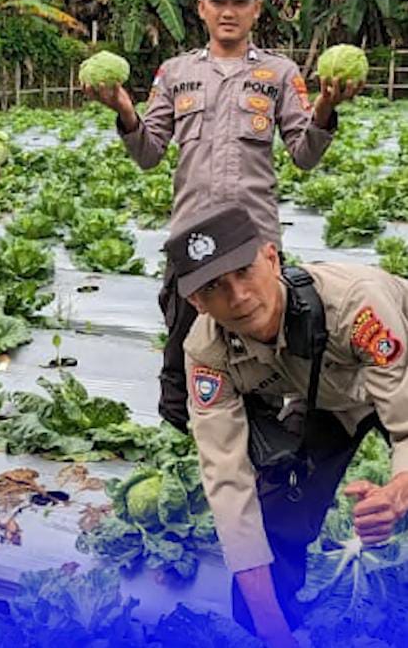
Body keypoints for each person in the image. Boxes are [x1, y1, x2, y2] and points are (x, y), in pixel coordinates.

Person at [85, 0, 359, 431]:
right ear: (202, 9)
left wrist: (327, 108)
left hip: (254, 247)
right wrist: (126, 113)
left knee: (262, 374)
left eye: (239, 1)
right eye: (218, 1)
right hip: (192, 247)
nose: (228, 11)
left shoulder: (279, 73)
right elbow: (149, 153)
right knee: (181, 374)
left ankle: (258, 470)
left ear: (256, 10)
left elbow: (304, 154)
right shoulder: (175, 73)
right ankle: (199, 462)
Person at [166, 203, 408, 648]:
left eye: (244, 270)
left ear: (272, 258)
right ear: (196, 301)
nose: (237, 296)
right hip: (329, 402)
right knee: (272, 539)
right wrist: (273, 630)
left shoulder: (357, 303)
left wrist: (397, 492)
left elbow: (405, 424)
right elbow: (228, 482)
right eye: (214, 287)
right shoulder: (207, 351)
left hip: (400, 378)